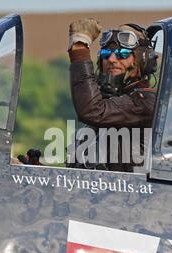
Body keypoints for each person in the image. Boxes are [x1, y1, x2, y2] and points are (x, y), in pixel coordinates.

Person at [67, 18, 158, 172]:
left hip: (134, 194)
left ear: (144, 61)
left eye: (123, 54)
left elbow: (92, 111)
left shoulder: (146, 102)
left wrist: (79, 46)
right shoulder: (106, 105)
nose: (111, 59)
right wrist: (32, 170)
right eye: (106, 53)